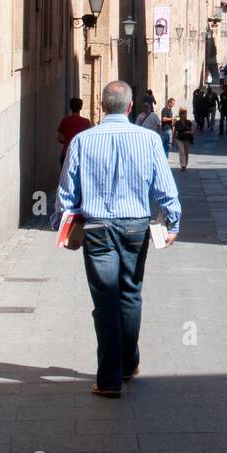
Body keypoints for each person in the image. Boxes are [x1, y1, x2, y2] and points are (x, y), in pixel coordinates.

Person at [56, 80, 179, 397]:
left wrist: (65, 222)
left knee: (105, 301)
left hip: (97, 228)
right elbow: (164, 187)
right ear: (129, 107)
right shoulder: (150, 140)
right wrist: (173, 221)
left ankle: (110, 378)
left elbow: (66, 193)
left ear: (100, 107)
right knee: (130, 294)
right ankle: (127, 364)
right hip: (135, 226)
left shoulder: (83, 141)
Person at [56, 97, 91, 165]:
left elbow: (59, 138)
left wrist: (67, 140)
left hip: (67, 153)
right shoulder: (86, 122)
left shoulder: (65, 121)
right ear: (80, 107)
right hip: (81, 154)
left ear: (70, 107)